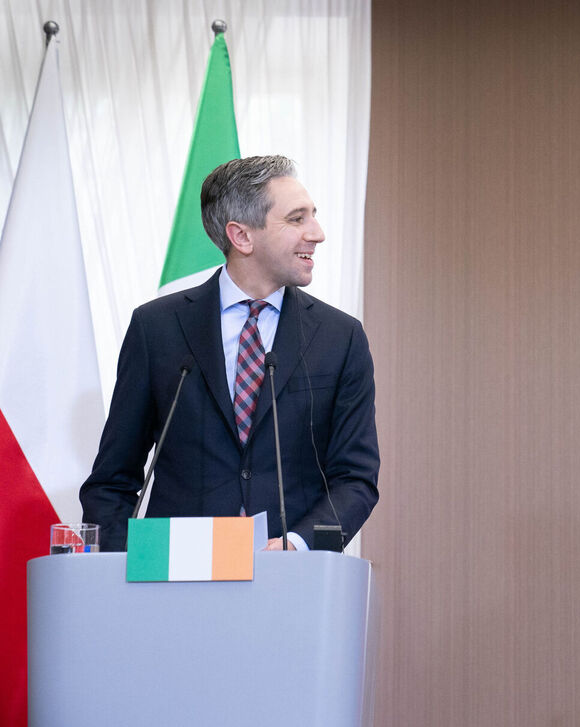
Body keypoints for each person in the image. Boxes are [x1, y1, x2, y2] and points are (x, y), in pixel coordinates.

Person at [81, 155, 379, 551]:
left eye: (314, 215)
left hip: (290, 584)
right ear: (241, 236)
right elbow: (112, 480)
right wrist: (124, 567)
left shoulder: (341, 338)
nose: (317, 233)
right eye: (297, 218)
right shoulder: (157, 329)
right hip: (173, 582)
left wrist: (297, 543)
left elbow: (355, 478)